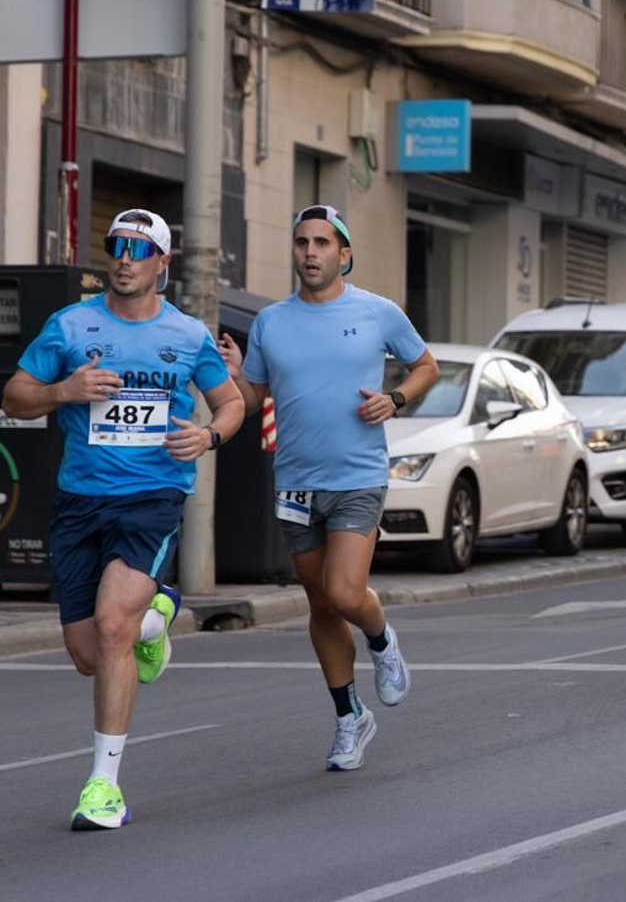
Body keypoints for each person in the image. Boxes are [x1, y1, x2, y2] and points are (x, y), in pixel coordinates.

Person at [1, 210, 244, 830]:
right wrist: (64, 392)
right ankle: (155, 617)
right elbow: (14, 395)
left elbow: (232, 401)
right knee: (87, 652)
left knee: (111, 626)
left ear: (164, 263)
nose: (125, 258)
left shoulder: (188, 335)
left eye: (140, 249)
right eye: (117, 246)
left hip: (152, 497)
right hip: (79, 502)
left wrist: (210, 436)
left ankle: (102, 787)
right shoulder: (71, 326)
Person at [219, 205, 439, 771]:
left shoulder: (377, 312)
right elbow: (250, 404)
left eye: (322, 243)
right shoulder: (271, 321)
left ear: (344, 254)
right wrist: (234, 375)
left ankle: (384, 640)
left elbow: (426, 367)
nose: (310, 253)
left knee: (344, 594)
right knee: (319, 604)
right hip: (295, 482)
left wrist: (395, 400)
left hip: (357, 476)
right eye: (301, 243)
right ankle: (350, 718)